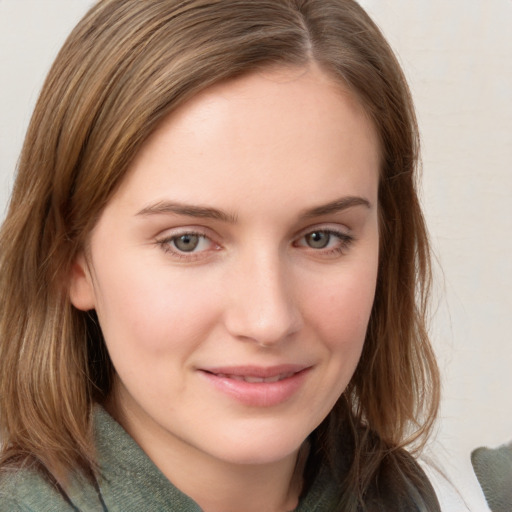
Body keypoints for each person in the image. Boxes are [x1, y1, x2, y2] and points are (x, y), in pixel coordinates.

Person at [0, 0, 441, 510]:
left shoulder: (422, 497)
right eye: (187, 240)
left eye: (321, 237)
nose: (268, 320)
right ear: (70, 258)